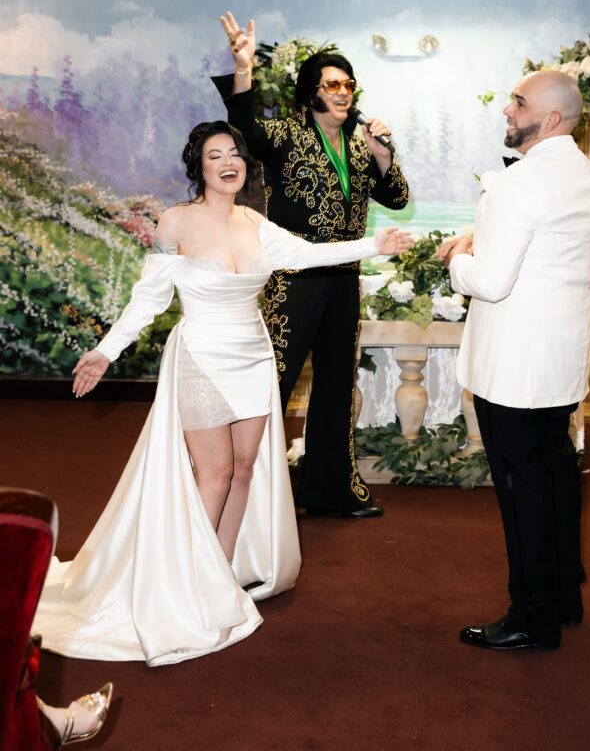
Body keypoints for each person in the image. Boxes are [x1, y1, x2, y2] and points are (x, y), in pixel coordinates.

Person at [33, 122, 411, 666]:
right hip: (202, 358)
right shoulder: (177, 221)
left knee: (241, 469)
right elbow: (149, 298)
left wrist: (375, 244)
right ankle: (183, 586)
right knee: (210, 474)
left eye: (235, 153)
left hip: (255, 359)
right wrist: (106, 351)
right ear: (200, 167)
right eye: (216, 155)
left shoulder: (255, 222)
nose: (228, 161)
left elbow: (308, 254)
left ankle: (219, 576)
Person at [212, 13, 410, 518]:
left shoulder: (363, 144)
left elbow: (398, 196)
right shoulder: (286, 134)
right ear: (311, 92)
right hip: (293, 274)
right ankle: (250, 491)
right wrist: (243, 69)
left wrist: (384, 155)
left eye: (349, 84)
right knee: (274, 379)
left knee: (337, 384)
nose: (344, 93)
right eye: (333, 84)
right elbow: (247, 130)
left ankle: (330, 488)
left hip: (344, 273)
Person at [438, 70, 590, 651]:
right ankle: (563, 597)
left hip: (512, 369)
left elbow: (487, 281)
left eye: (518, 102)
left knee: (522, 492)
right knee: (555, 476)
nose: (507, 111)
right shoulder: (585, 175)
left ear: (551, 118)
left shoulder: (523, 182)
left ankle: (530, 618)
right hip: (557, 363)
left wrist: (457, 257)